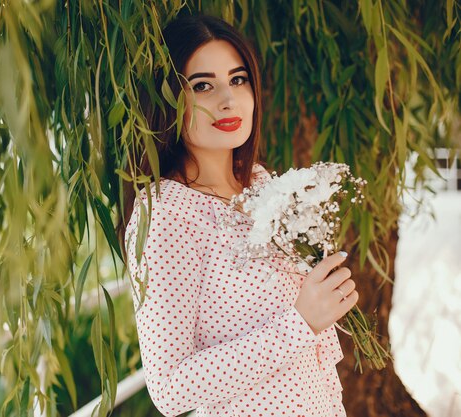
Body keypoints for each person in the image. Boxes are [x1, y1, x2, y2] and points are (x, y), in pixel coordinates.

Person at [117, 14, 358, 417]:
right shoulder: (166, 215)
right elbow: (169, 388)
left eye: (238, 79)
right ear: (168, 99)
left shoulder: (262, 184)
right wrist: (300, 322)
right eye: (203, 86)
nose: (227, 100)